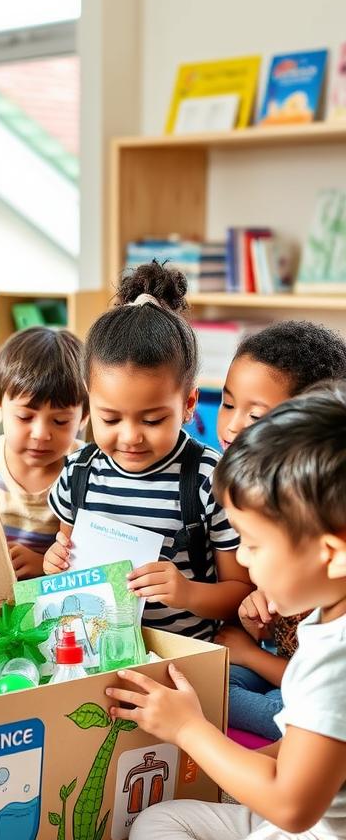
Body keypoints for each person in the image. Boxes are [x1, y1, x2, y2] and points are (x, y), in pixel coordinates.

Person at [112, 382, 346, 840]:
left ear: (331, 554)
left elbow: (292, 805)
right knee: (158, 821)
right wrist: (237, 763)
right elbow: (310, 752)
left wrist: (190, 730)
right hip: (317, 823)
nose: (240, 559)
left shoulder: (337, 659)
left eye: (254, 544)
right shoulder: (326, 612)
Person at [43, 262, 250, 640]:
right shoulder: (79, 472)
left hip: (181, 654)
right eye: (110, 419)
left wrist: (186, 592)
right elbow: (66, 563)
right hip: (94, 650)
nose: (131, 437)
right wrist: (54, 563)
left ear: (189, 404)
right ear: (90, 405)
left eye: (152, 420)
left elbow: (240, 595)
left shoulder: (209, 478)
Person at [213, 321, 346, 739]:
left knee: (221, 696)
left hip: (306, 687)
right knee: (215, 680)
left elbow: (317, 674)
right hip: (284, 665)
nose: (233, 427)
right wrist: (260, 621)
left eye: (254, 415)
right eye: (227, 404)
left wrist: (252, 654)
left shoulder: (317, 528)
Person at [0, 326, 86, 581]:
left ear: (84, 416)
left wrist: (43, 565)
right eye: (25, 416)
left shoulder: (86, 470)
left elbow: (91, 558)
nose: (41, 434)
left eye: (60, 421)